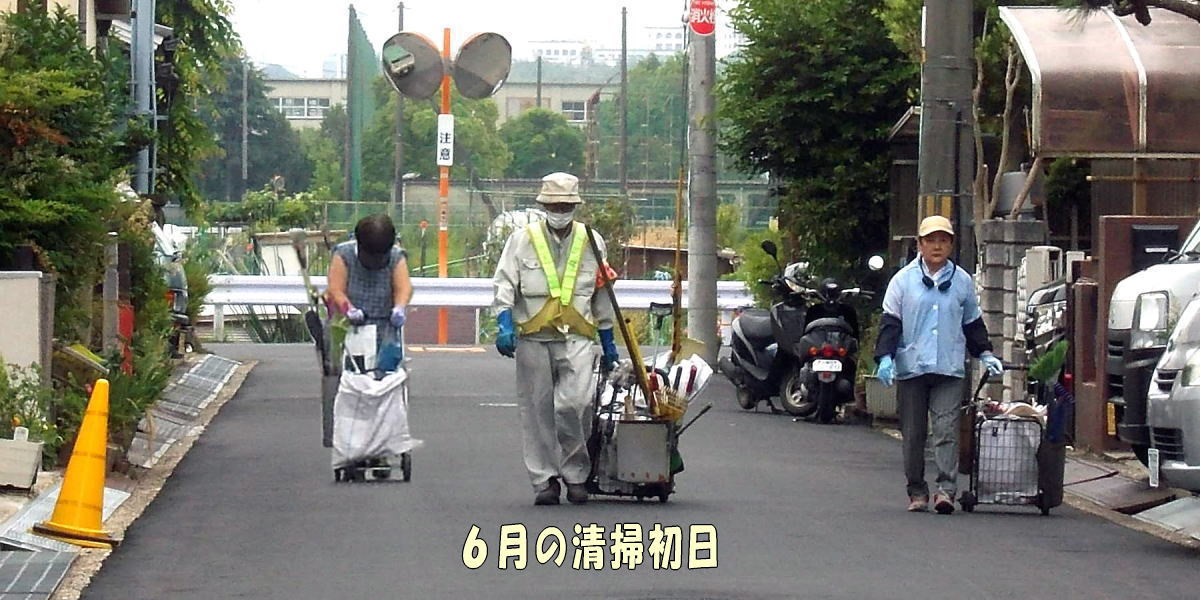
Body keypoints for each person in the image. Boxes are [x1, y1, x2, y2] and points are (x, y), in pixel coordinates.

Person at [491, 172, 620, 506]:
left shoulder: (592, 241)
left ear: (574, 206)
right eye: (554, 205)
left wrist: (608, 341)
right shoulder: (522, 239)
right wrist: (504, 323)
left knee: (576, 405)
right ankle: (545, 480)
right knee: (536, 411)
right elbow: (504, 283)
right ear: (544, 206)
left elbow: (601, 292)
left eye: (565, 205)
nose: (560, 211)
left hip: (576, 336)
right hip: (534, 337)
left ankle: (576, 474)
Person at [873, 215, 1003, 514]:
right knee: (913, 434)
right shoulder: (902, 281)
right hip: (912, 367)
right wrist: (885, 357)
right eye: (930, 240)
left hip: (948, 368)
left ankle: (946, 491)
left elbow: (972, 323)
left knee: (946, 430)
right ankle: (917, 491)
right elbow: (890, 323)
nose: (936, 246)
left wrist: (985, 353)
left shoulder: (962, 281)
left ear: (951, 245)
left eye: (943, 240)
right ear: (919, 244)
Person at [326, 214, 413, 356]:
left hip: (385, 328)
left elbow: (403, 287)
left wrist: (399, 307)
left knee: (386, 366)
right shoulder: (343, 254)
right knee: (352, 366)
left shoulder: (396, 256)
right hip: (349, 328)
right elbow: (335, 289)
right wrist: (348, 309)